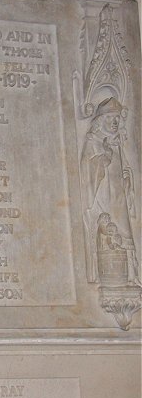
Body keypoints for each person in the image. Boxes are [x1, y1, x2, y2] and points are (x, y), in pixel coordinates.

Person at [81, 97, 139, 285]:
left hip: (119, 196)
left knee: (126, 232)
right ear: (100, 120)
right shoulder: (93, 141)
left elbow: (125, 168)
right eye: (110, 118)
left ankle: (133, 275)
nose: (115, 122)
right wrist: (103, 158)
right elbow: (87, 169)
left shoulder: (117, 142)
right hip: (103, 197)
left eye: (117, 118)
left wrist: (127, 177)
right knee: (108, 232)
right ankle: (105, 276)